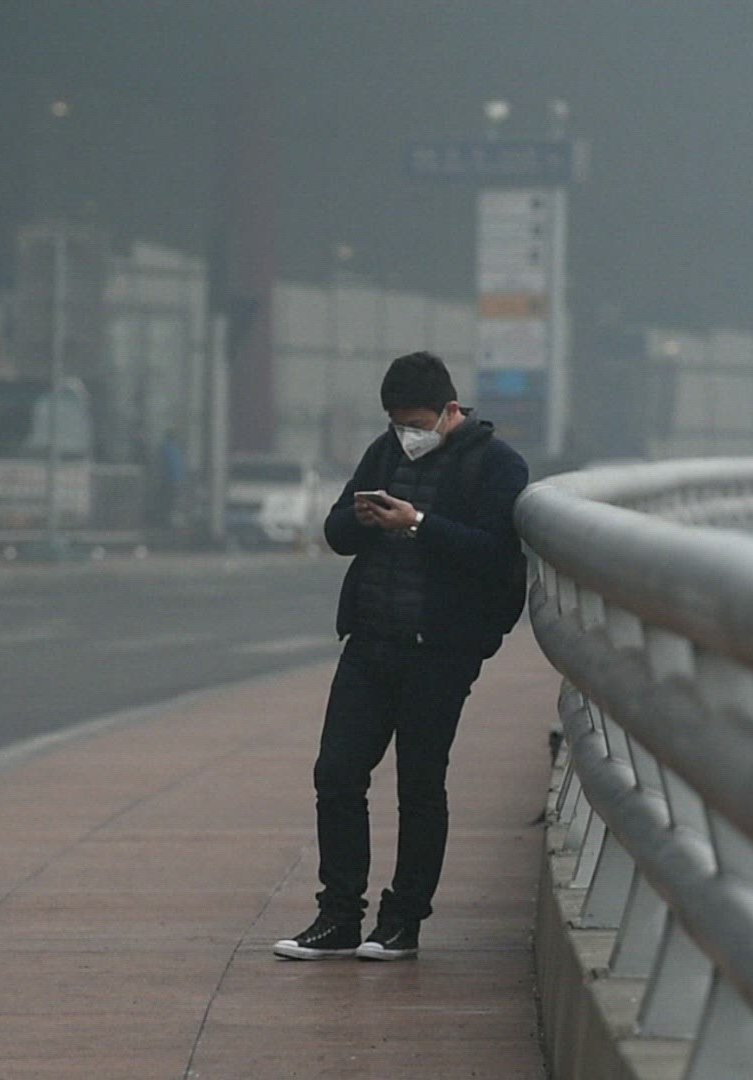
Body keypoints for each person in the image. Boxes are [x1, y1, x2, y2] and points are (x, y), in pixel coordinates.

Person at [273, 351, 529, 962]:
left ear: (449, 410)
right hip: (370, 641)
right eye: (396, 423)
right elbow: (336, 533)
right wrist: (364, 520)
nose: (406, 435)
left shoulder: (498, 465)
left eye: (414, 423)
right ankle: (339, 915)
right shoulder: (384, 452)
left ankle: (402, 921)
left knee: (419, 786)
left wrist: (418, 523)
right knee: (336, 775)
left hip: (439, 653)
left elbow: (497, 555)